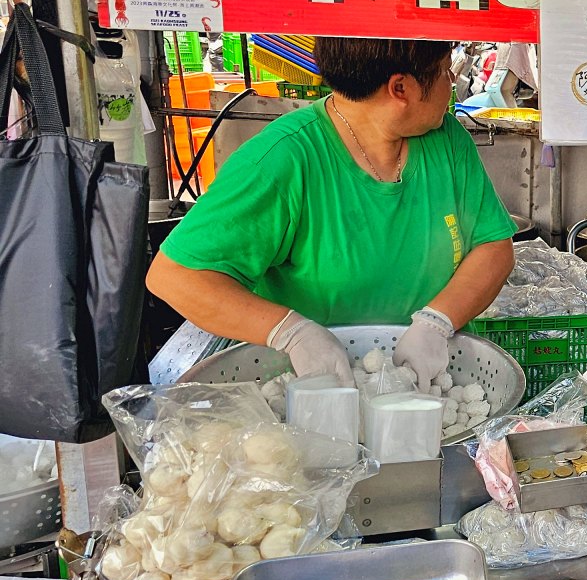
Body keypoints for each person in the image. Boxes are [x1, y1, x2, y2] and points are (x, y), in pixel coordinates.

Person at [149, 36, 517, 387]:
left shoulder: (446, 139)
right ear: (400, 89)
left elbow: (492, 246)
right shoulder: (282, 161)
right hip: (306, 382)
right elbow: (175, 276)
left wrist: (437, 321)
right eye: (442, 71)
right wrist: (291, 332)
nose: (451, 81)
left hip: (427, 378)